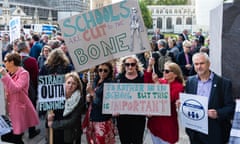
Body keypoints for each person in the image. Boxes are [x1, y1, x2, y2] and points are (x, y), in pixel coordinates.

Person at [184, 52, 235, 144]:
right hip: (195, 132)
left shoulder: (224, 83)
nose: (199, 67)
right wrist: (182, 104)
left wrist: (218, 113)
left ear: (208, 64)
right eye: (196, 64)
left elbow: (231, 107)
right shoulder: (190, 81)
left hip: (215, 133)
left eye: (202, 63)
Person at [0, 52, 39, 144]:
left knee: (17, 136)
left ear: (12, 62)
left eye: (5, 61)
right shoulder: (10, 73)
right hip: (9, 109)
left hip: (18, 108)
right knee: (10, 135)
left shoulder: (23, 73)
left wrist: (5, 75)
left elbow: (15, 88)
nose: (4, 63)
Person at [145, 59, 184, 144]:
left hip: (167, 124)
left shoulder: (178, 86)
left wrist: (156, 83)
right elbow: (147, 84)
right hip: (155, 122)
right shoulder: (161, 81)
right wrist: (150, 66)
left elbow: (167, 99)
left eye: (167, 71)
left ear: (175, 74)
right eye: (163, 70)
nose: (164, 73)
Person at [47, 72, 85, 144]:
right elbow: (49, 111)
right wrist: (48, 116)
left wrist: (54, 124)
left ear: (77, 86)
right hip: (56, 132)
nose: (70, 85)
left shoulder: (79, 99)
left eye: (74, 83)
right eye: (68, 82)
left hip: (69, 134)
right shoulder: (57, 94)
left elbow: (72, 121)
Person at [115, 55, 146, 144]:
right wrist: (113, 109)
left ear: (136, 65)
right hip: (123, 117)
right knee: (125, 141)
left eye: (132, 64)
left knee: (138, 141)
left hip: (138, 117)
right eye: (127, 64)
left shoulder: (142, 77)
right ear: (124, 65)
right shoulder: (118, 78)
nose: (130, 67)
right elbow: (114, 96)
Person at [84, 62, 115, 144]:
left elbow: (106, 104)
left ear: (109, 72)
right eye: (100, 70)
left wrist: (93, 94)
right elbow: (93, 100)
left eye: (105, 71)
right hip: (92, 117)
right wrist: (89, 98)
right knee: (92, 141)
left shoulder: (110, 84)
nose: (102, 72)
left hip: (102, 119)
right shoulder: (96, 80)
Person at [18, 41, 40, 139]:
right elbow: (35, 77)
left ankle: (20, 132)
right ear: (25, 48)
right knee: (31, 110)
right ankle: (32, 131)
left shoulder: (14, 59)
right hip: (29, 90)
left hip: (17, 90)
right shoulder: (31, 60)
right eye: (28, 46)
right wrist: (34, 89)